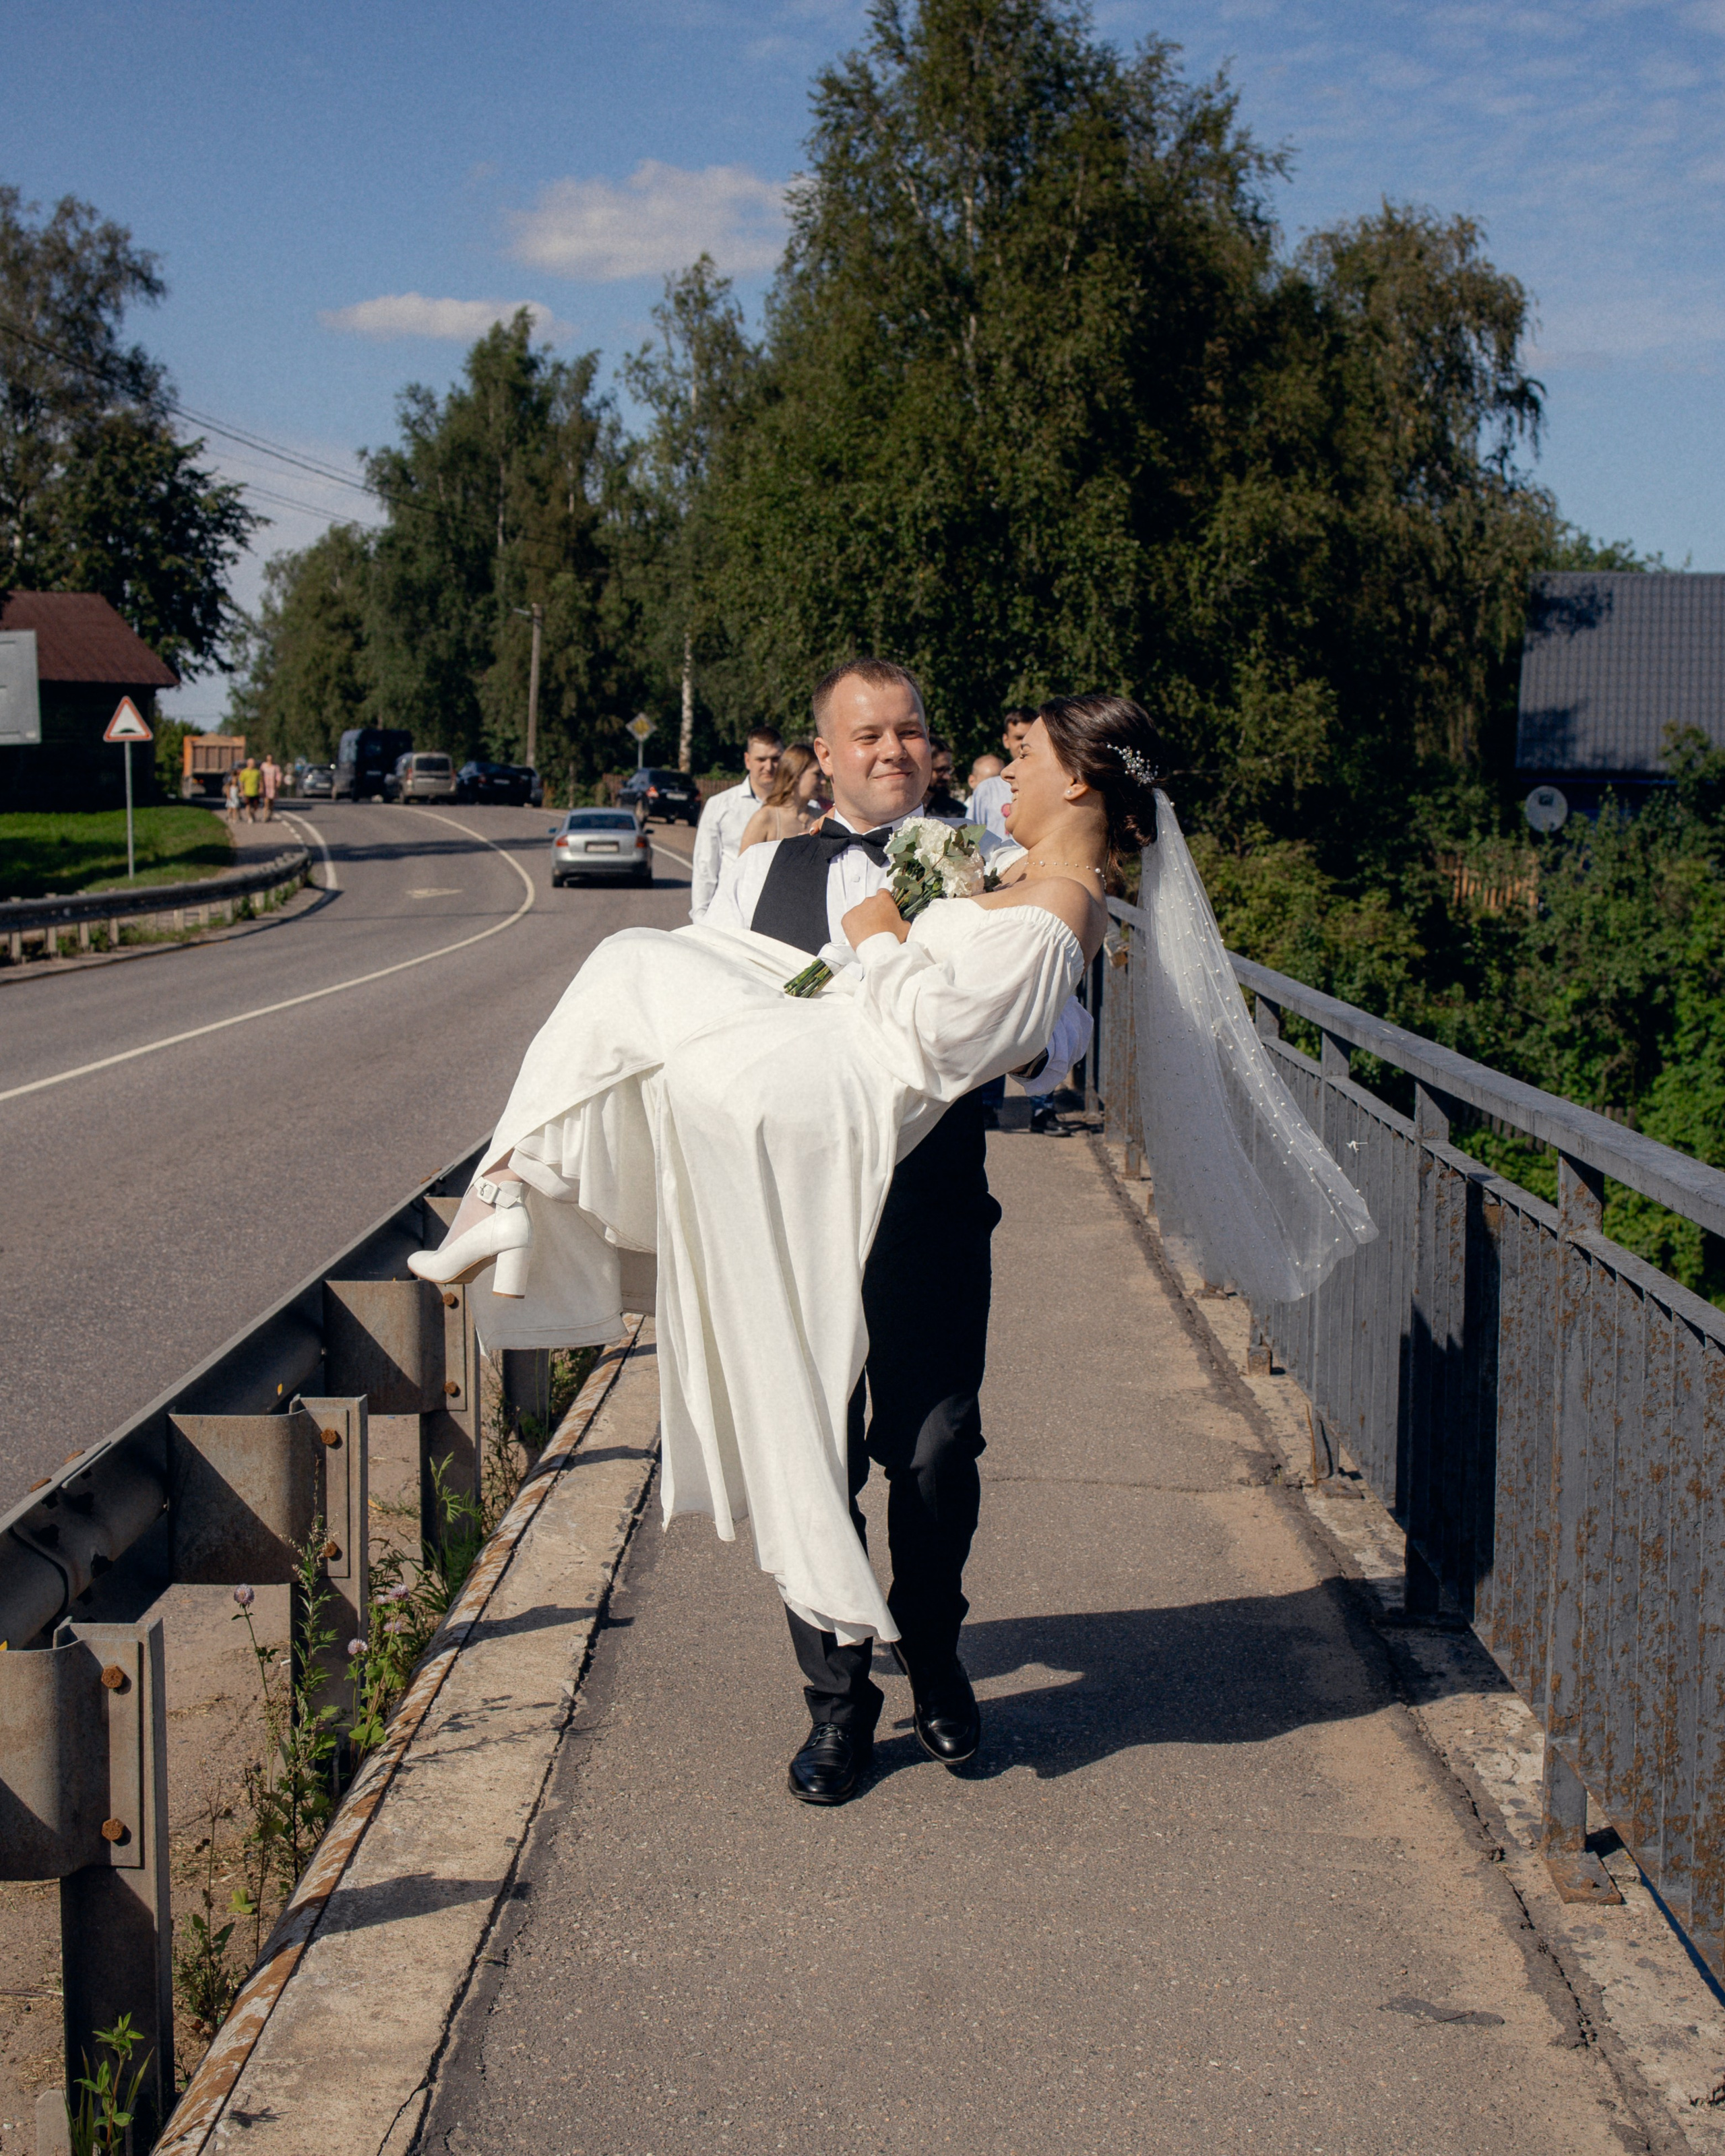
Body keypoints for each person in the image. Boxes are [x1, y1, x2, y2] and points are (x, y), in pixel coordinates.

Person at [406, 676, 1375, 1806]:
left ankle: (938, 1651)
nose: (894, 749)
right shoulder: (767, 869)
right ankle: (838, 1707)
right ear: (824, 753)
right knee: (801, 1431)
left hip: (923, 1193)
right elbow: (731, 990)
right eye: (867, 733)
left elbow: (1043, 1049)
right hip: (788, 1175)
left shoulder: (994, 862)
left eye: (910, 729)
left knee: (931, 1451)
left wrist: (900, 945)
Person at [689, 726, 783, 918]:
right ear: (748, 760)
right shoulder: (720, 806)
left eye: (775, 759)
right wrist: (701, 919)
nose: (769, 766)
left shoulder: (802, 808)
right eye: (761, 760)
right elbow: (705, 868)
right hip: (730, 915)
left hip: (780, 914)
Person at [738, 742, 829, 849]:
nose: (823, 782)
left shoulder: (822, 818)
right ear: (796, 775)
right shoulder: (765, 818)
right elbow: (744, 864)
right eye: (817, 774)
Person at [968, 709, 1034, 839]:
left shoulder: (1050, 785)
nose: (1023, 744)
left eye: (1029, 737)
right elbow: (970, 838)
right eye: (1018, 738)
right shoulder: (987, 789)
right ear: (1006, 740)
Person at [920, 736, 968, 824]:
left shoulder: (957, 812)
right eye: (940, 770)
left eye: (948, 770)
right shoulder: (901, 808)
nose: (947, 777)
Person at [238, 757, 263, 823]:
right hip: (247, 792)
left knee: (256, 806)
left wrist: (261, 788)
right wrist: (242, 791)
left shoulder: (257, 772)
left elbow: (260, 781)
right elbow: (241, 782)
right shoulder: (244, 772)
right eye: (252, 763)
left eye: (254, 763)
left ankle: (252, 813)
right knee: (248, 805)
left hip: (255, 792)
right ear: (248, 764)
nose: (253, 764)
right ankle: (249, 817)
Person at [260, 754, 282, 822]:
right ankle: (265, 816)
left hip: (272, 786)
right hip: (266, 786)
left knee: (271, 802)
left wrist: (278, 783)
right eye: (268, 759)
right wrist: (260, 784)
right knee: (266, 802)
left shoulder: (276, 767)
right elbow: (261, 774)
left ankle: (270, 814)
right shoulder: (264, 766)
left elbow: (279, 775)